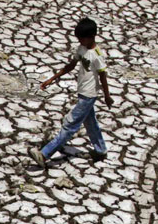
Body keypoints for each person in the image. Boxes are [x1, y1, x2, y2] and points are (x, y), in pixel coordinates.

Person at [30, 18, 112, 168]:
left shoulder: (97, 55)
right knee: (90, 123)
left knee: (70, 124)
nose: (80, 41)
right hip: (82, 92)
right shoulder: (82, 48)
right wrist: (51, 79)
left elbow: (103, 76)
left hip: (89, 95)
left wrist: (107, 96)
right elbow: (70, 66)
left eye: (82, 38)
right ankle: (101, 150)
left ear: (92, 36)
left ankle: (45, 154)